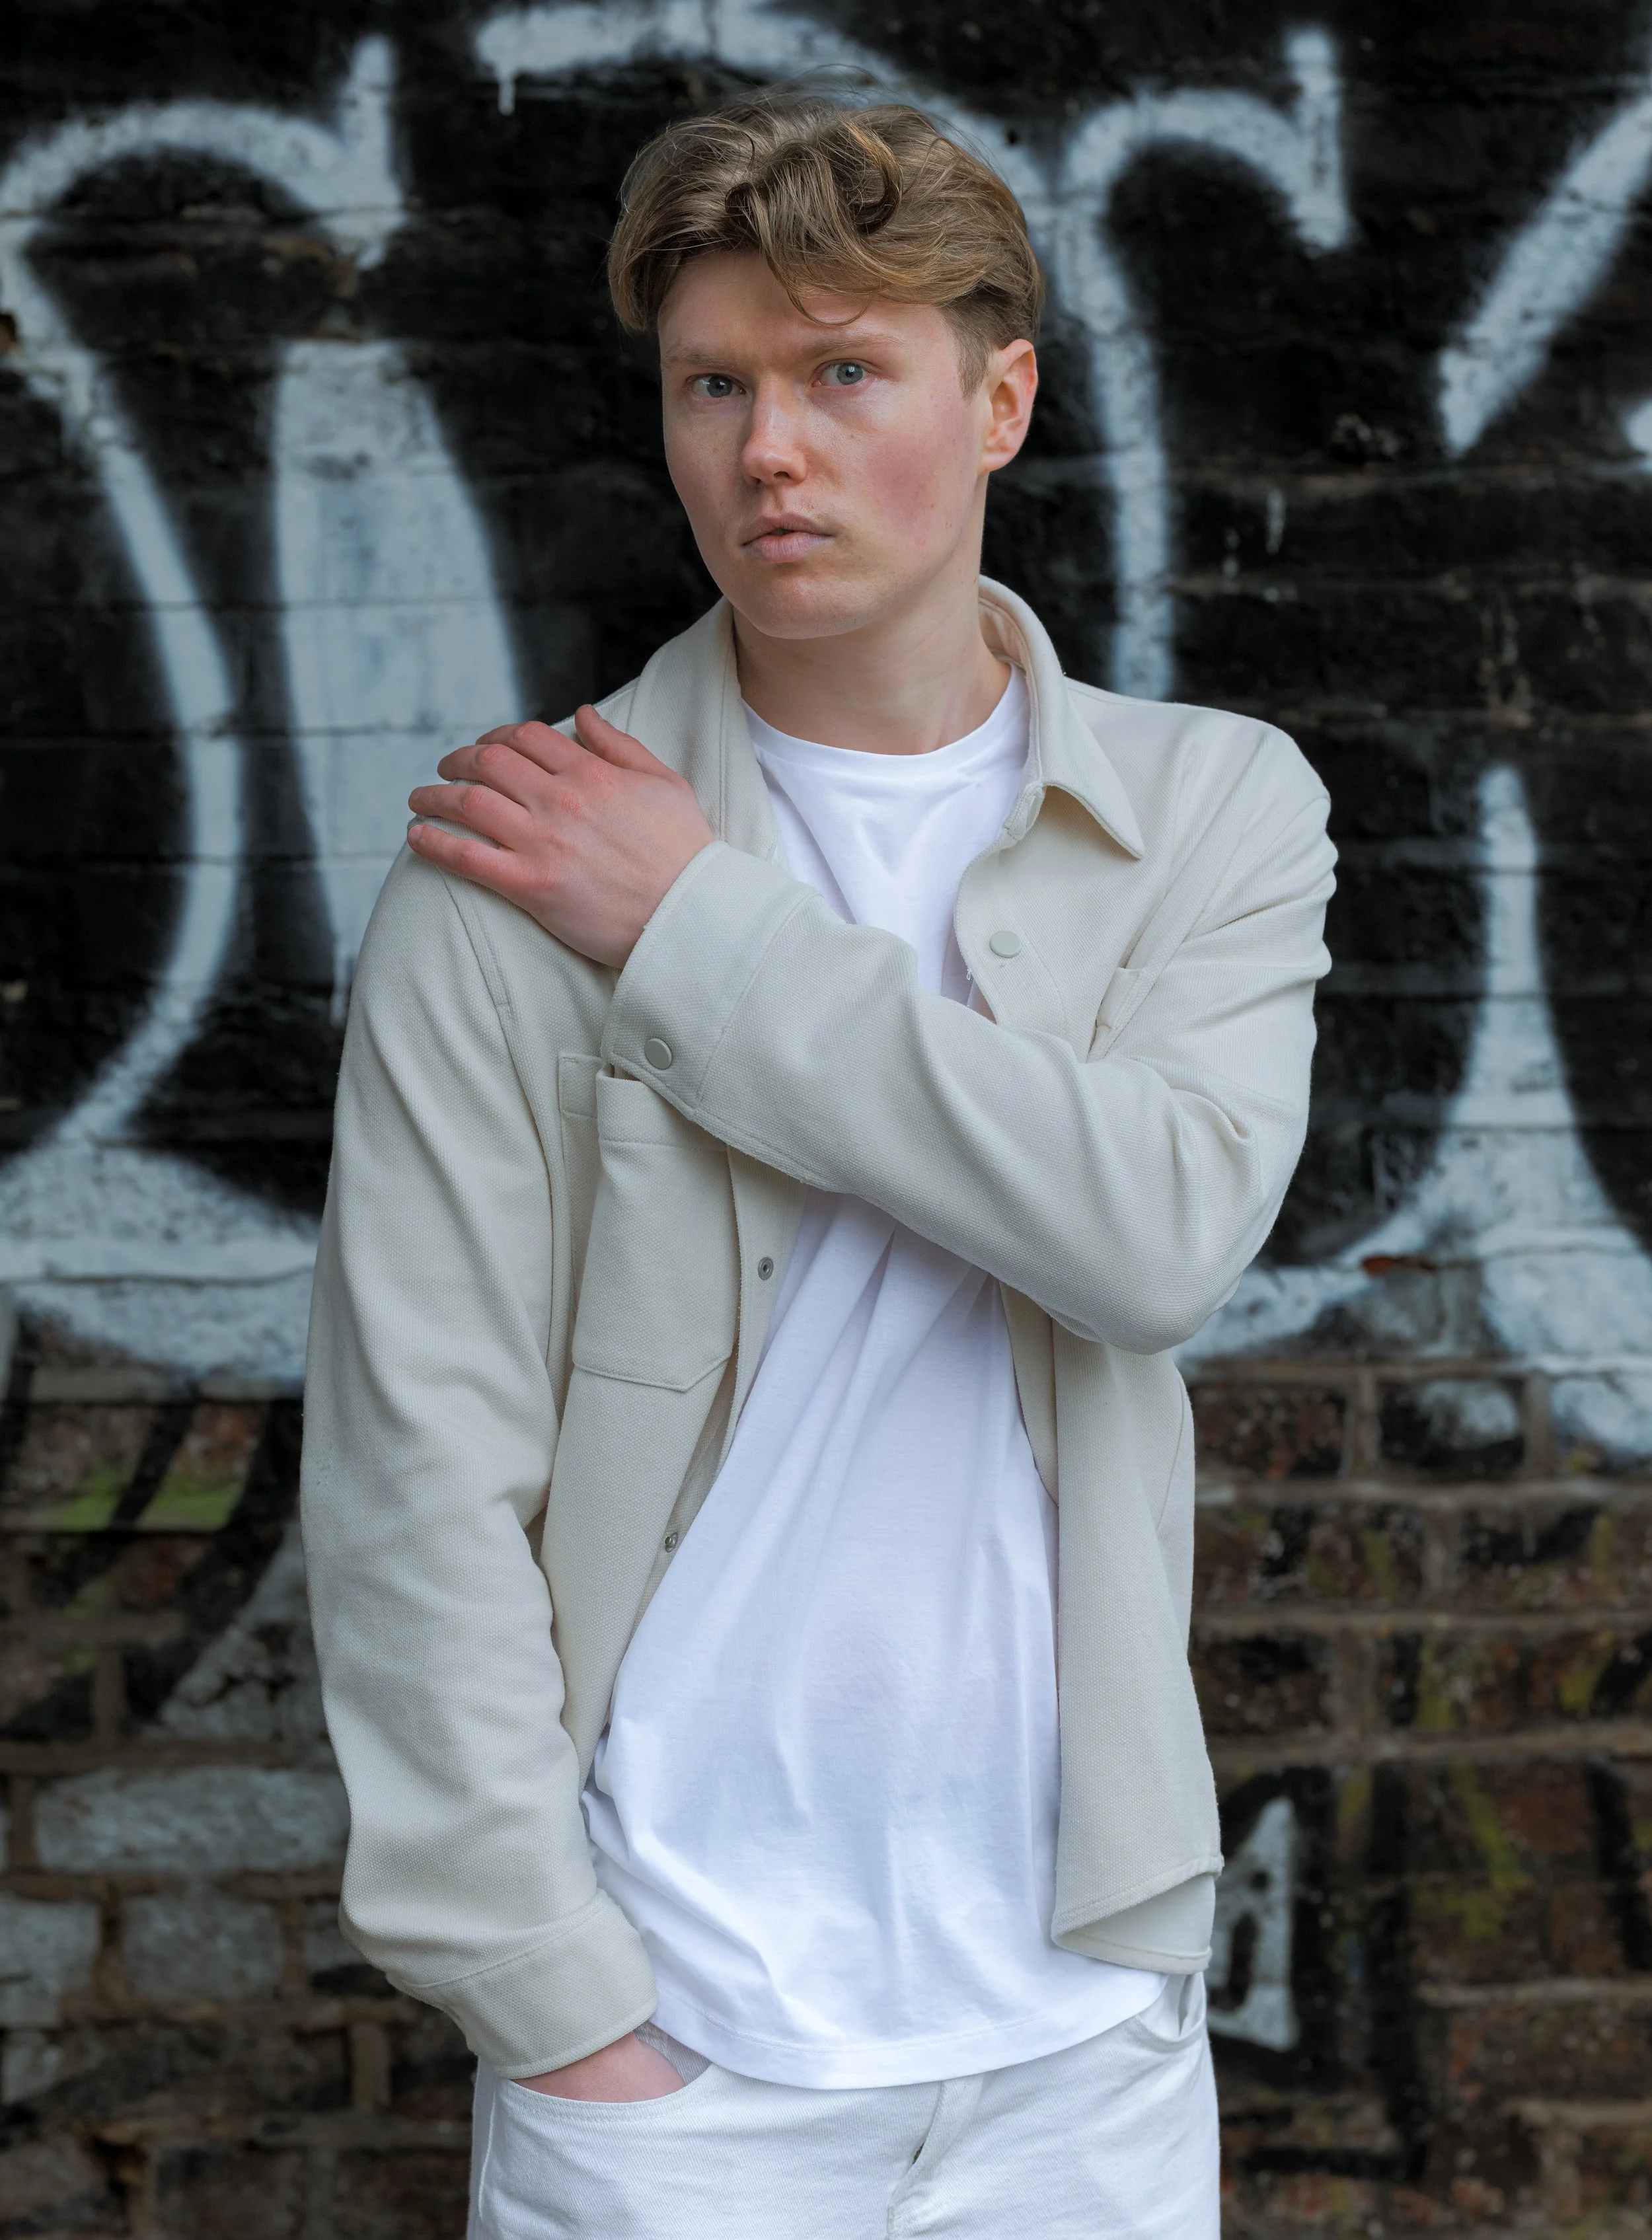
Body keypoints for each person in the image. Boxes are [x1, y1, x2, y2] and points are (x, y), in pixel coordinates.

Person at [300, 90, 1335, 2239]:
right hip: (673, 2055)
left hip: (1071, 2042)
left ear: (999, 399)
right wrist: (555, 1997)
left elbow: (1151, 1236)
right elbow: (417, 1475)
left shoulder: (1214, 812)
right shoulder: (508, 877)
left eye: (843, 371)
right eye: (713, 385)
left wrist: (700, 934)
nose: (767, 449)